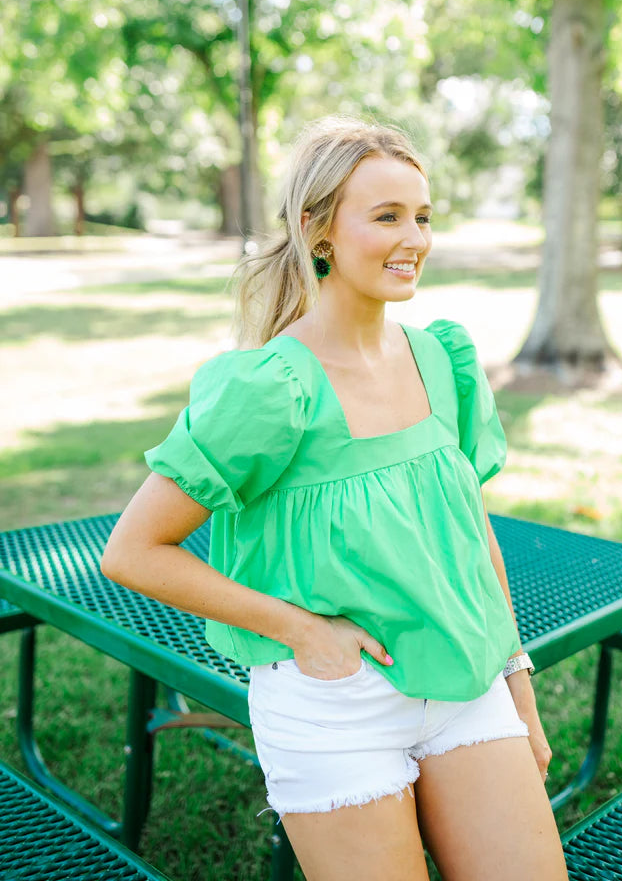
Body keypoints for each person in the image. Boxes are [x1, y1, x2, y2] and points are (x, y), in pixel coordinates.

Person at [102, 115, 569, 881]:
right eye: (385, 216)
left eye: (422, 216)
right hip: (336, 703)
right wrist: (303, 631)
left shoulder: (442, 359)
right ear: (318, 231)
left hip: (468, 679)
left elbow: (469, 529)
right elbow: (133, 552)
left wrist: (518, 681)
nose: (412, 237)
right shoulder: (270, 389)